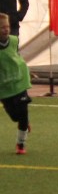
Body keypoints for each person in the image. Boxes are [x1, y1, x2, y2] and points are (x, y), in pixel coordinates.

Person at [0, 14, 32, 155]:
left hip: (19, 82)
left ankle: (21, 143)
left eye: (7, 26)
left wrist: (25, 69)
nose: (6, 30)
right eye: (2, 27)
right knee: (14, 116)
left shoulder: (14, 40)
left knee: (23, 112)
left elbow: (15, 57)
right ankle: (23, 122)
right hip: (4, 87)